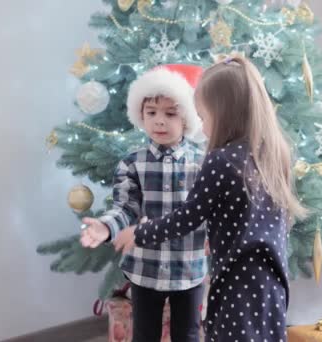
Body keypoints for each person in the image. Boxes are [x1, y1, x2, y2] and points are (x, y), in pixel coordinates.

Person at [113, 55, 308, 341]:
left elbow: (186, 217)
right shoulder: (272, 153)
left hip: (237, 284)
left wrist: (140, 232)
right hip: (272, 280)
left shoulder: (221, 161)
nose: (202, 128)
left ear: (224, 113)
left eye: (204, 117)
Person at [80, 64, 207, 342]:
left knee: (188, 335)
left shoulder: (202, 163)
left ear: (187, 117)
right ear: (141, 114)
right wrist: (105, 227)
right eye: (151, 113)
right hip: (144, 270)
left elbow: (207, 211)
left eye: (170, 113)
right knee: (144, 335)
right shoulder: (132, 163)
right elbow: (126, 208)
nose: (159, 121)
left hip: (189, 268)